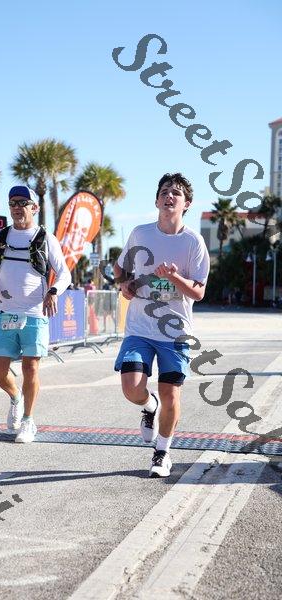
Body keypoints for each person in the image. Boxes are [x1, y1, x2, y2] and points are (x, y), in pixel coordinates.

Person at [114, 173, 210, 477]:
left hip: (175, 332)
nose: (170, 196)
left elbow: (199, 292)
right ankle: (149, 406)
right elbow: (120, 268)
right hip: (140, 328)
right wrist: (124, 285)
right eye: (165, 191)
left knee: (171, 394)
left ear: (186, 204)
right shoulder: (140, 234)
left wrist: (173, 277)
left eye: (176, 193)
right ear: (157, 200)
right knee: (131, 388)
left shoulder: (193, 242)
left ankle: (162, 452)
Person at [0, 185, 71, 443]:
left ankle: (28, 421)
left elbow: (64, 273)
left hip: (34, 312)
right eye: (13, 203)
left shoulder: (46, 238)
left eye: (23, 203)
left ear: (34, 207)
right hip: (4, 311)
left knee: (31, 367)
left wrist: (53, 291)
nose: (17, 208)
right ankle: (15, 397)